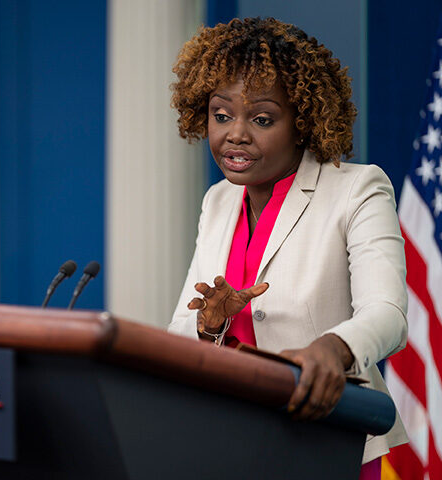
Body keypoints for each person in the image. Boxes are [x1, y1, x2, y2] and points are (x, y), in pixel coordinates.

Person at [167, 17, 408, 478]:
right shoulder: (217, 200)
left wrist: (332, 349)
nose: (235, 133)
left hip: (330, 440)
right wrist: (207, 326)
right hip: (232, 438)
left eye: (261, 119)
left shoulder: (358, 189)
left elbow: (388, 314)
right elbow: (181, 326)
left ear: (302, 122)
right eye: (221, 115)